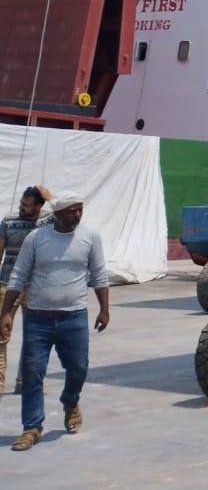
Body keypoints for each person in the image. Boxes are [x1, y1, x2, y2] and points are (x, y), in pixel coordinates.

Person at [0, 193, 109, 452]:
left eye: (80, 210)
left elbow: (99, 273)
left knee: (78, 369)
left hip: (74, 316)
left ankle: (70, 401)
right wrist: (5, 312)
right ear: (57, 214)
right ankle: (31, 427)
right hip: (38, 318)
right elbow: (18, 275)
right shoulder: (36, 239)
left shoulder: (90, 237)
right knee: (31, 374)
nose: (78, 215)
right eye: (72, 211)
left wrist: (104, 310)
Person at [0, 187, 53, 392]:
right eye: (21, 204)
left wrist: (50, 197)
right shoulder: (8, 221)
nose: (22, 208)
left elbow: (70, 215)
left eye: (27, 205)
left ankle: (24, 382)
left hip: (36, 288)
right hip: (7, 286)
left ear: (39, 206)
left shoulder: (48, 222)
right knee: (1, 335)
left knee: (33, 337)